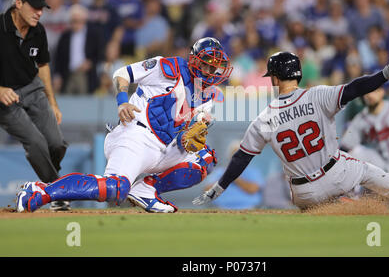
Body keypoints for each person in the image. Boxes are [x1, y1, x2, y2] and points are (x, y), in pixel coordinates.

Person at [193, 51, 389, 210]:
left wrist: (219, 187)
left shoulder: (264, 118)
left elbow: (241, 158)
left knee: (323, 203)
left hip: (303, 193)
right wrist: (384, 75)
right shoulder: (318, 95)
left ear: (275, 79)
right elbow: (356, 88)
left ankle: (339, 204)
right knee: (366, 170)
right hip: (337, 174)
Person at [16, 37, 233, 213]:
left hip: (164, 148)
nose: (210, 71)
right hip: (135, 135)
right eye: (206, 63)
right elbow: (122, 74)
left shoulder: (210, 95)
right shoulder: (170, 66)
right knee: (115, 189)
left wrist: (192, 137)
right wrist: (122, 102)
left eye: (215, 67)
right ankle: (40, 191)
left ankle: (147, 189)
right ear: (194, 59)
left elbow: (193, 130)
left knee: (205, 159)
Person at [0, 0, 69, 211]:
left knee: (57, 143)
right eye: (35, 7)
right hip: (5, 98)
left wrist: (52, 102)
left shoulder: (38, 30)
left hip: (32, 88)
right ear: (18, 4)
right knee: (36, 142)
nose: (39, 12)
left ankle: (47, 180)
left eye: (42, 7)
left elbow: (43, 66)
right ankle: (55, 192)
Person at [203, 141, 264, 209]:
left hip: (248, 208)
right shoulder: (219, 172)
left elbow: (253, 189)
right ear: (229, 156)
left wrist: (234, 177)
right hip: (221, 208)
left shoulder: (253, 172)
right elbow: (208, 191)